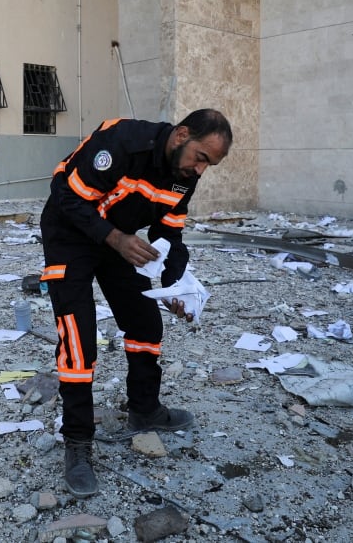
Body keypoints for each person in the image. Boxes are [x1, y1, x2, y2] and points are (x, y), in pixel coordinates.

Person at [39, 108, 233, 497]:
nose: (200, 171)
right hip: (69, 232)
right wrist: (115, 239)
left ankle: (145, 410)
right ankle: (78, 442)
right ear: (180, 136)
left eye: (209, 164)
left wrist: (176, 285)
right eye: (200, 157)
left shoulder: (183, 178)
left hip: (117, 239)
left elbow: (169, 235)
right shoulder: (121, 142)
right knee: (80, 341)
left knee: (145, 323)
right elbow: (65, 196)